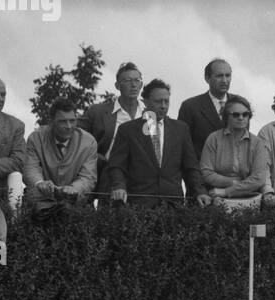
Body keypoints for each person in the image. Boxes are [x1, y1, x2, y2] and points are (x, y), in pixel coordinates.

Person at [108, 79, 209, 208]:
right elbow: (116, 165)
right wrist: (119, 186)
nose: (163, 106)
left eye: (166, 101)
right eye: (158, 101)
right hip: (139, 204)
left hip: (173, 204)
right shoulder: (127, 130)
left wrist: (200, 192)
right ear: (145, 101)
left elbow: (190, 167)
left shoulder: (181, 129)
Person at [22, 97, 99, 216]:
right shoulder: (35, 138)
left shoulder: (89, 142)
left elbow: (88, 177)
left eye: (72, 121)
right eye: (63, 121)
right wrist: (39, 182)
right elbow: (30, 168)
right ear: (51, 121)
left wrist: (75, 188)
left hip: (75, 205)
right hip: (40, 203)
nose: (68, 126)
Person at [81, 62, 146, 198]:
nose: (133, 85)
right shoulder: (98, 112)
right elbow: (77, 138)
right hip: (106, 173)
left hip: (141, 178)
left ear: (141, 84)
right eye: (127, 81)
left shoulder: (149, 114)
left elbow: (154, 145)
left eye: (137, 80)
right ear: (117, 86)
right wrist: (97, 157)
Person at [200, 95, 270, 206]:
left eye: (245, 114)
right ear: (226, 117)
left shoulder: (257, 143)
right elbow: (206, 173)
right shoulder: (213, 139)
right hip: (217, 200)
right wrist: (234, 182)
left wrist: (227, 191)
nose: (241, 118)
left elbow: (259, 178)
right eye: (236, 115)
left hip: (250, 200)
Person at [177, 58, 233, 156]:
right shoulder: (190, 107)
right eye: (219, 76)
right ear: (207, 78)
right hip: (202, 168)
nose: (224, 80)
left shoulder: (240, 105)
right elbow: (182, 146)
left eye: (228, 75)